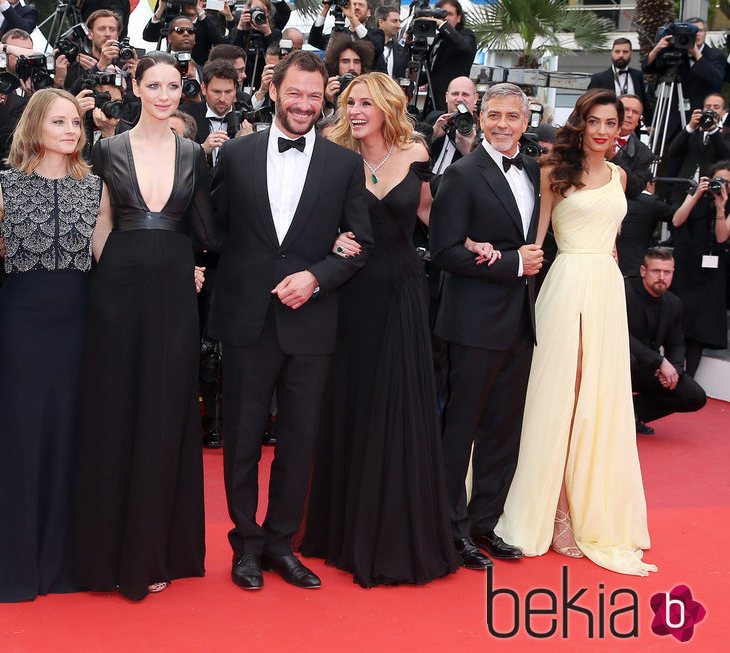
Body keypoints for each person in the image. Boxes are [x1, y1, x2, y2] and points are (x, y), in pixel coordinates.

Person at [210, 50, 372, 591]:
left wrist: (317, 276)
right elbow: (215, 233)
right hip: (248, 321)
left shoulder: (344, 165)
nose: (304, 104)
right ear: (274, 90)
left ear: (324, 98)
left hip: (311, 322)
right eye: (294, 93)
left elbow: (359, 244)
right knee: (242, 442)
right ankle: (246, 546)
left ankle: (282, 543)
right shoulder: (233, 155)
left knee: (300, 441)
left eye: (313, 95)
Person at [298, 72, 459, 587]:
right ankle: (340, 527)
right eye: (350, 102)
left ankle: (394, 532)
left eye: (367, 102)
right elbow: (312, 218)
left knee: (399, 406)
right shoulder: (331, 151)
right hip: (348, 295)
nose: (357, 110)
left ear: (389, 106)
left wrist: (479, 246)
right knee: (349, 403)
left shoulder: (417, 153)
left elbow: (434, 216)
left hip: (403, 293)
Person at [70, 52, 218, 601]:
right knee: (114, 411)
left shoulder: (194, 155)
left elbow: (207, 228)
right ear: (134, 87)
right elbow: (101, 227)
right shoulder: (106, 149)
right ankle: (106, 552)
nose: (163, 94)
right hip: (117, 289)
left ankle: (154, 550)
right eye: (152, 84)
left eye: (172, 85)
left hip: (175, 294)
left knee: (164, 412)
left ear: (184, 90)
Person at [495, 88, 657, 577]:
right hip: (566, 289)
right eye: (597, 122)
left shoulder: (621, 176)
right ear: (582, 124)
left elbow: (611, 240)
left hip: (607, 292)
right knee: (559, 399)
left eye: (613, 123)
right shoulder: (553, 173)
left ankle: (591, 509)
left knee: (598, 402)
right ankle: (558, 512)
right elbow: (534, 243)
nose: (605, 131)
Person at [0, 89, 100, 602]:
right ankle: (9, 567)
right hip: (22, 324)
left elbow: (112, 258)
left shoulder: (96, 189)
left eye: (76, 121)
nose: (71, 129)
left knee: (70, 436)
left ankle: (64, 564)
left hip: (80, 325)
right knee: (19, 437)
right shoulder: (4, 184)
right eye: (59, 120)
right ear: (35, 125)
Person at [429, 82, 540, 571]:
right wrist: (511, 264)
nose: (501, 124)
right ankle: (450, 531)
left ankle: (484, 524)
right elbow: (444, 252)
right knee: (461, 433)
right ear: (478, 114)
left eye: (511, 116)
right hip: (472, 325)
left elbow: (538, 241)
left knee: (503, 432)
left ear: (526, 119)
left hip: (519, 323)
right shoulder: (462, 174)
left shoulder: (534, 169)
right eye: (492, 114)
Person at [670, 162, 730, 376]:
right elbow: (676, 220)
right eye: (718, 180)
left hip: (711, 273)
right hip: (686, 264)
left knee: (699, 327)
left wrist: (720, 207)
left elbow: (722, 236)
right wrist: (696, 196)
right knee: (679, 322)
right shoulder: (694, 194)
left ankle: (688, 379)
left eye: (727, 182)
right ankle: (672, 372)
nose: (721, 185)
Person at [627, 248, 707, 433]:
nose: (661, 277)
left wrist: (675, 371)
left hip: (649, 369)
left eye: (667, 272)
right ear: (643, 271)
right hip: (618, 365)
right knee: (628, 359)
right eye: (656, 271)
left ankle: (632, 412)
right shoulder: (625, 294)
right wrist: (660, 362)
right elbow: (621, 336)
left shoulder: (673, 303)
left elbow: (676, 343)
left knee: (694, 396)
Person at [643, 16, 724, 142]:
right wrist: (657, 48)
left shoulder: (715, 56)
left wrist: (696, 54)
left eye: (700, 31)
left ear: (705, 33)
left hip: (700, 119)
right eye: (692, 32)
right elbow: (649, 68)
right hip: (675, 119)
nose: (696, 34)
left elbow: (715, 79)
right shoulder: (677, 52)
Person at [427, 1, 477, 113]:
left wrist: (442, 25)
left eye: (449, 14)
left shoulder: (467, 35)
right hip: (433, 103)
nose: (445, 18)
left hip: (454, 104)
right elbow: (432, 73)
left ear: (459, 18)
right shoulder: (438, 40)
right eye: (441, 15)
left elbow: (463, 46)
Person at [587, 38, 648, 118]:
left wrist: (648, 124)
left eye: (625, 52)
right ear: (612, 53)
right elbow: (589, 105)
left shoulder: (637, 75)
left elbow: (644, 102)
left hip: (633, 127)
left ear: (631, 53)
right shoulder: (598, 78)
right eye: (617, 51)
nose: (621, 55)